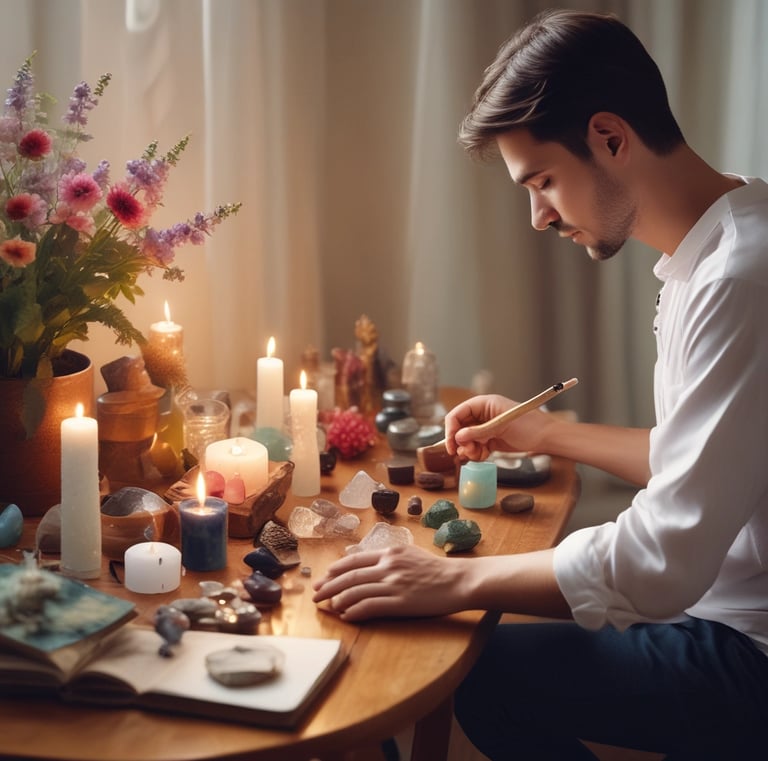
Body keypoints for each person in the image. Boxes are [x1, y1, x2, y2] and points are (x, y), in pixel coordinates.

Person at [313, 8, 768, 759]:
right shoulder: (722, 241)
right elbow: (708, 461)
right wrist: (547, 432)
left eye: (544, 181)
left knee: (474, 665)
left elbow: (662, 561)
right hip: (717, 605)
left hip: (746, 645)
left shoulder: (739, 279)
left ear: (610, 137)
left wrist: (453, 580)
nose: (537, 216)